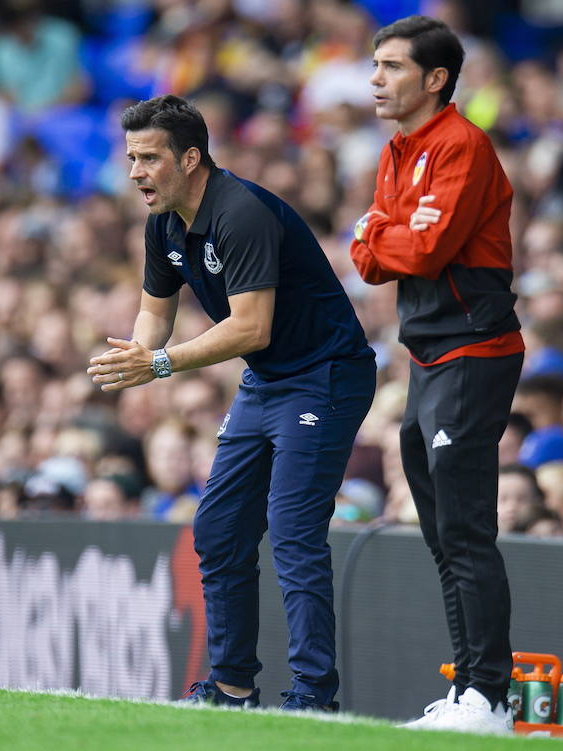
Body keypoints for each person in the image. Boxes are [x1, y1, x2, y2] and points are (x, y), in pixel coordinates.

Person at [88, 94, 375, 711]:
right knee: (219, 529)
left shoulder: (240, 212)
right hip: (268, 380)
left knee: (294, 532)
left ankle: (314, 697)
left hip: (325, 374)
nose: (135, 172)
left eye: (149, 158)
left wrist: (159, 363)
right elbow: (153, 311)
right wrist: (138, 354)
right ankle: (231, 686)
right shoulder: (162, 222)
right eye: (130, 158)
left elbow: (251, 328)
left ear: (191, 157)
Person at [349, 15, 523, 734]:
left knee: (466, 528)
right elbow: (365, 258)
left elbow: (418, 251)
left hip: (474, 352)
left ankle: (492, 696)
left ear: (435, 79)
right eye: (375, 65)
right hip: (426, 355)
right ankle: (467, 690)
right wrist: (383, 237)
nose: (375, 79)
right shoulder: (397, 149)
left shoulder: (463, 145)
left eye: (391, 67)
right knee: (442, 532)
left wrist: (379, 234)